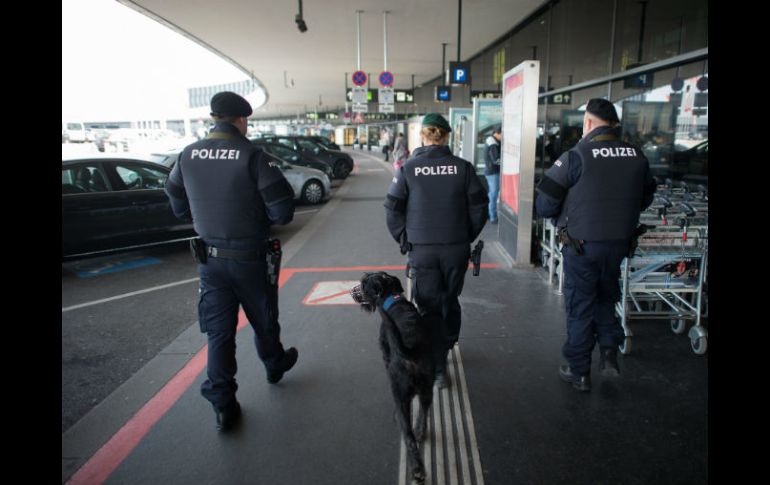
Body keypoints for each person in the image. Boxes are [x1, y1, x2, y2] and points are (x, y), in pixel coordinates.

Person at [165, 91, 299, 431]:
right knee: (264, 318)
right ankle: (273, 364)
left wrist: (190, 214)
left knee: (219, 333)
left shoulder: (188, 155)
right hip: (251, 259)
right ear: (242, 120)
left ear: (214, 119)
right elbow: (282, 211)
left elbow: (174, 193)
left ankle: (223, 402)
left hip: (209, 262)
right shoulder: (253, 156)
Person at [534, 98, 656, 392]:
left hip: (581, 247)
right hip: (618, 246)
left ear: (588, 123)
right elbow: (646, 196)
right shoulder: (637, 155)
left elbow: (545, 204)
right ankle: (609, 355)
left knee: (580, 306)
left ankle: (579, 371)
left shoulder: (576, 156)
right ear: (613, 125)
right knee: (606, 296)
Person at [384, 113, 488, 388]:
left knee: (429, 305)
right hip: (456, 248)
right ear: (447, 136)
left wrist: (405, 240)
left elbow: (392, 210)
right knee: (449, 298)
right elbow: (479, 208)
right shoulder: (463, 168)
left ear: (423, 136)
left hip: (423, 249)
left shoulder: (408, 169)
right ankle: (448, 342)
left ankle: (439, 366)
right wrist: (466, 236)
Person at [483, 126, 502, 224]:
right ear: (498, 133)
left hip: (491, 172)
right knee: (493, 195)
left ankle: (491, 216)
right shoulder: (493, 143)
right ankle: (493, 217)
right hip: (493, 172)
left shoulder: (492, 140)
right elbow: (496, 160)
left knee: (492, 194)